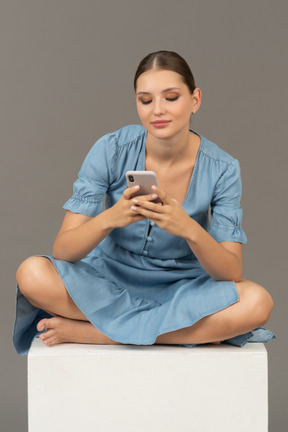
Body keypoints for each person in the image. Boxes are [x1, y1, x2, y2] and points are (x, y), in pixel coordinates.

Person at [13, 51, 275, 355]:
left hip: (183, 291)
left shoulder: (223, 168)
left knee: (258, 302)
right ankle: (171, 331)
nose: (158, 111)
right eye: (146, 100)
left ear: (195, 100)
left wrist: (188, 228)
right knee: (31, 273)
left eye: (171, 97)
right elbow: (63, 250)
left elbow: (230, 272)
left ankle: (102, 334)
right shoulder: (111, 150)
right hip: (108, 283)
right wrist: (111, 218)